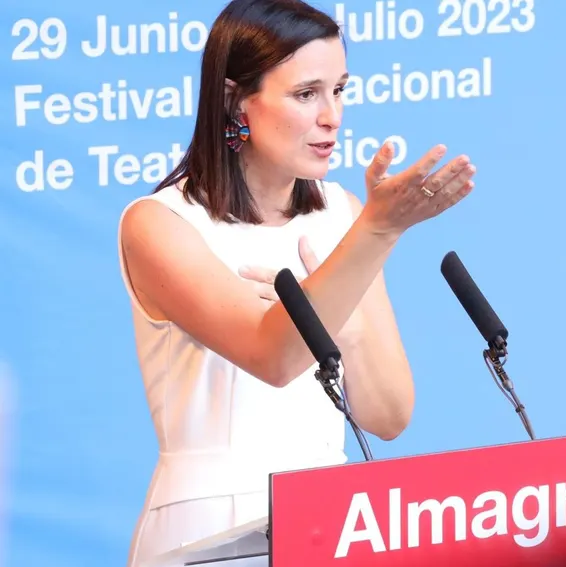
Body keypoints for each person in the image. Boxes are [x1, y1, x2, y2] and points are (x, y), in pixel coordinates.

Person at [116, 0, 477, 564]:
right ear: (236, 98)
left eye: (340, 90)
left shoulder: (341, 215)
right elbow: (275, 356)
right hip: (208, 528)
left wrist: (351, 314)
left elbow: (388, 416)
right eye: (307, 93)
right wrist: (378, 233)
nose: (332, 115)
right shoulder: (158, 224)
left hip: (329, 521)